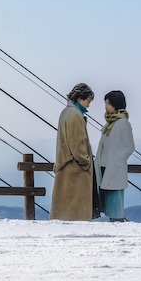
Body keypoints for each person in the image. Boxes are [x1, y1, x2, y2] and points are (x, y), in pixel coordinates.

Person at [50, 83, 96, 221]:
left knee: (64, 211)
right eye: (88, 100)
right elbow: (78, 145)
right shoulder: (76, 115)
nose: (88, 105)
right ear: (81, 98)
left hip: (65, 166)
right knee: (77, 214)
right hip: (75, 171)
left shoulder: (66, 112)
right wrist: (86, 161)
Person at [96, 90, 136, 222]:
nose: (106, 106)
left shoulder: (123, 123)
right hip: (104, 166)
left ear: (115, 104)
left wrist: (116, 161)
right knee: (107, 201)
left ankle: (118, 224)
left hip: (113, 168)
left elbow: (129, 146)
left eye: (108, 103)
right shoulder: (109, 123)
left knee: (115, 202)